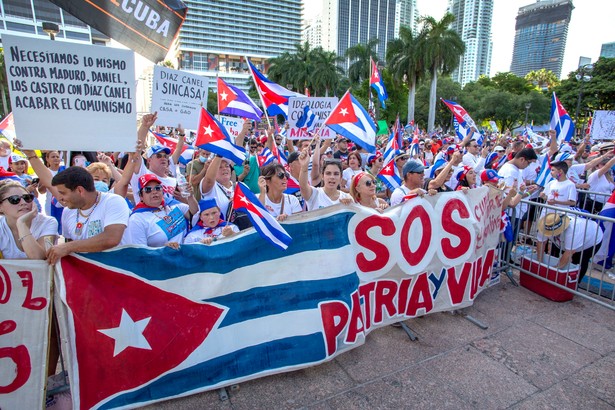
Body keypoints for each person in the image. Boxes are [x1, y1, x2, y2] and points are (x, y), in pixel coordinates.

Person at [23, 151, 130, 264]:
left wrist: (67, 247)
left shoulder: (113, 201)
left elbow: (111, 238)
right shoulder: (68, 211)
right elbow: (71, 245)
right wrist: (31, 155)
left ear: (79, 190)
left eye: (63, 193)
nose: (61, 198)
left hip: (117, 271)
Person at [123, 174, 199, 248]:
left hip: (186, 256)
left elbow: (195, 214)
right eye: (148, 189)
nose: (154, 192)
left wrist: (190, 196)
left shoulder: (172, 204)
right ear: (141, 196)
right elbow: (140, 253)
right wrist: (162, 249)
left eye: (157, 188)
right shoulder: (137, 219)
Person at [536, 213, 603, 282]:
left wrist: (552, 270)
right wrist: (539, 263)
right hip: (566, 240)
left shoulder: (573, 230)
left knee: (579, 261)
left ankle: (575, 283)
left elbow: (569, 252)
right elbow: (541, 242)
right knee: (557, 255)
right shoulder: (546, 224)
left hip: (592, 238)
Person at [0, 180, 57, 259]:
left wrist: (21, 224)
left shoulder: (48, 222)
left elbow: (38, 258)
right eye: (15, 199)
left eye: (27, 198)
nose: (23, 202)